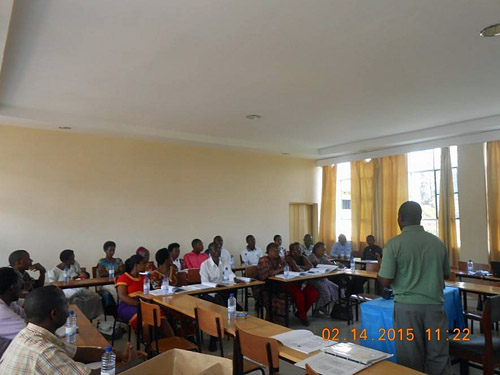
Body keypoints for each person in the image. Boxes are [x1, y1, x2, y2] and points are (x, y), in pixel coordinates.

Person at [0, 285, 143, 374]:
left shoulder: (30, 334)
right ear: (54, 314)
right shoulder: (43, 352)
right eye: (65, 305)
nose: (68, 309)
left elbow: (77, 352)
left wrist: (118, 355)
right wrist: (134, 364)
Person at [377, 201, 451, 375]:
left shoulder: (394, 244)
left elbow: (386, 280)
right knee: (438, 355)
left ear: (400, 219)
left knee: (410, 358)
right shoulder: (437, 243)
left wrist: (380, 270)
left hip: (407, 309)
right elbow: (446, 274)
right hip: (434, 306)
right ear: (420, 218)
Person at [115, 255, 174, 337]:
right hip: (128, 305)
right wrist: (139, 304)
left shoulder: (144, 277)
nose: (146, 266)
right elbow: (123, 296)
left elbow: (151, 292)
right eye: (143, 264)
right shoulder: (123, 278)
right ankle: (148, 344)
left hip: (144, 303)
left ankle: (172, 342)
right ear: (136, 265)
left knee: (161, 316)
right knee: (145, 318)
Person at [48, 249, 103, 320]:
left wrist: (76, 278)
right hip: (66, 290)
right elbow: (53, 286)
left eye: (74, 257)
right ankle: (78, 319)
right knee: (75, 300)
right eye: (71, 259)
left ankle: (88, 318)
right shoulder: (54, 272)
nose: (74, 260)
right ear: (65, 260)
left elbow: (81, 275)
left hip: (78, 287)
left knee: (95, 297)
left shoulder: (75, 264)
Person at [285, 243, 319, 326]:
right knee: (300, 296)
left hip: (302, 281)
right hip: (291, 283)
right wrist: (303, 267)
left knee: (314, 293)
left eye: (300, 248)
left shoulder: (302, 257)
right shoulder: (289, 258)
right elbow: (296, 269)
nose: (300, 250)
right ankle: (303, 317)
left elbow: (310, 266)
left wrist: (300, 266)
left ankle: (300, 312)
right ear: (292, 252)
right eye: (297, 249)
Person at [256, 243, 287, 324]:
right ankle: (271, 320)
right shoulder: (263, 260)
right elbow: (267, 274)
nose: (277, 252)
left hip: (277, 286)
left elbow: (286, 268)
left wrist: (282, 269)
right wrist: (280, 270)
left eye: (278, 250)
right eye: (275, 250)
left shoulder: (280, 260)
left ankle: (280, 320)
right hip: (264, 287)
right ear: (269, 251)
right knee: (272, 300)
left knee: (286, 297)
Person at [307, 242, 340, 315]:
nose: (324, 252)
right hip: (314, 279)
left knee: (336, 288)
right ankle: (318, 308)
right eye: (322, 250)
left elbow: (329, 264)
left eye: (324, 250)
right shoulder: (312, 256)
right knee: (326, 292)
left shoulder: (323, 257)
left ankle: (322, 306)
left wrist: (337, 265)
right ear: (316, 249)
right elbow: (318, 265)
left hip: (323, 279)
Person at [0, 267, 26, 340]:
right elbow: (30, 334)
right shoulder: (2, 312)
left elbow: (30, 320)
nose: (23, 290)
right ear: (12, 287)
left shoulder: (11, 304)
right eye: (22, 286)